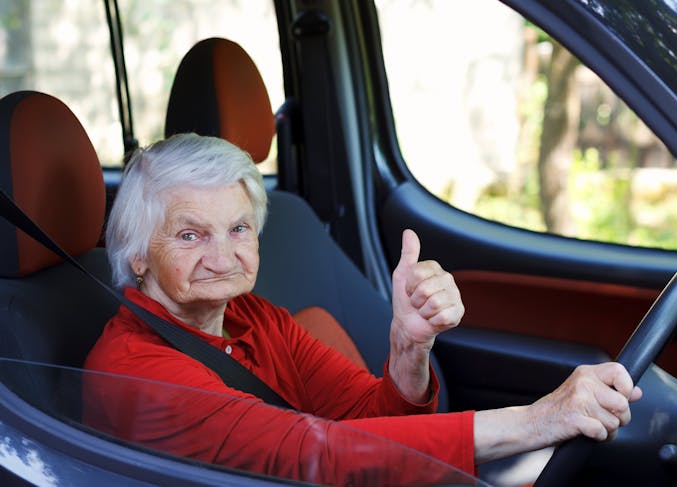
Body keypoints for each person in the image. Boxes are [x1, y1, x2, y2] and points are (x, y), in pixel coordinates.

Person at [84, 133, 642, 485]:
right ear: (136, 255)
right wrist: (542, 418)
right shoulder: (135, 371)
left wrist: (409, 343)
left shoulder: (255, 317)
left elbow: (373, 425)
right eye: (189, 234)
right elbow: (320, 456)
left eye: (238, 228)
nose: (224, 255)